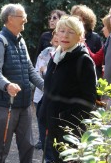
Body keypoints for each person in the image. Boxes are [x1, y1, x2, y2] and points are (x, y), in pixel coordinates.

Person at [0, 3, 44, 163]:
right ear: (10, 19)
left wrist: (46, 87)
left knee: (28, 146)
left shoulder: (21, 40)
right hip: (5, 105)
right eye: (23, 16)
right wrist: (7, 85)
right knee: (2, 148)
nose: (26, 19)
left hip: (24, 105)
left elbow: (30, 70)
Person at [38, 15, 97, 162]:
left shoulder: (83, 60)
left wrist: (64, 118)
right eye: (62, 31)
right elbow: (49, 90)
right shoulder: (56, 57)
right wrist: (43, 113)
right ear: (56, 34)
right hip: (51, 125)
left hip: (70, 129)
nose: (65, 35)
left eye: (70, 32)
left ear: (79, 36)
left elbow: (89, 100)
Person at [33, 32, 58, 162]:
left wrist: (46, 71)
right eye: (56, 36)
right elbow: (36, 72)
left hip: (56, 101)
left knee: (54, 134)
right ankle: (48, 158)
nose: (58, 38)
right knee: (44, 135)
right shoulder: (44, 54)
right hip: (40, 98)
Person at [71, 5, 103, 78]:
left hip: (90, 75)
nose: (75, 20)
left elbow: (99, 62)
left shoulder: (95, 37)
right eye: (73, 17)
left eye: (78, 18)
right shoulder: (69, 36)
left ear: (85, 20)